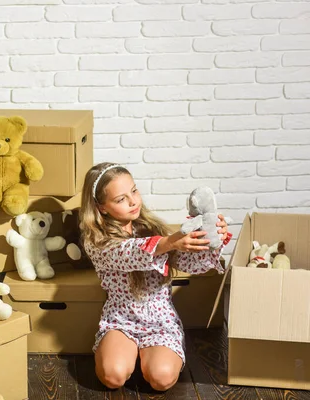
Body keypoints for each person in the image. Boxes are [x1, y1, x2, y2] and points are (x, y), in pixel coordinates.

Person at [79, 162, 231, 392]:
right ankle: (128, 354)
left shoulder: (152, 229)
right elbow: (127, 252)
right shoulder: (96, 241)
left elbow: (187, 263)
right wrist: (170, 242)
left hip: (161, 320)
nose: (133, 201)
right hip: (121, 318)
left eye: (134, 190)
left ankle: (153, 355)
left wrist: (208, 242)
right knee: (113, 376)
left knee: (161, 379)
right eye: (120, 199)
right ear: (101, 208)